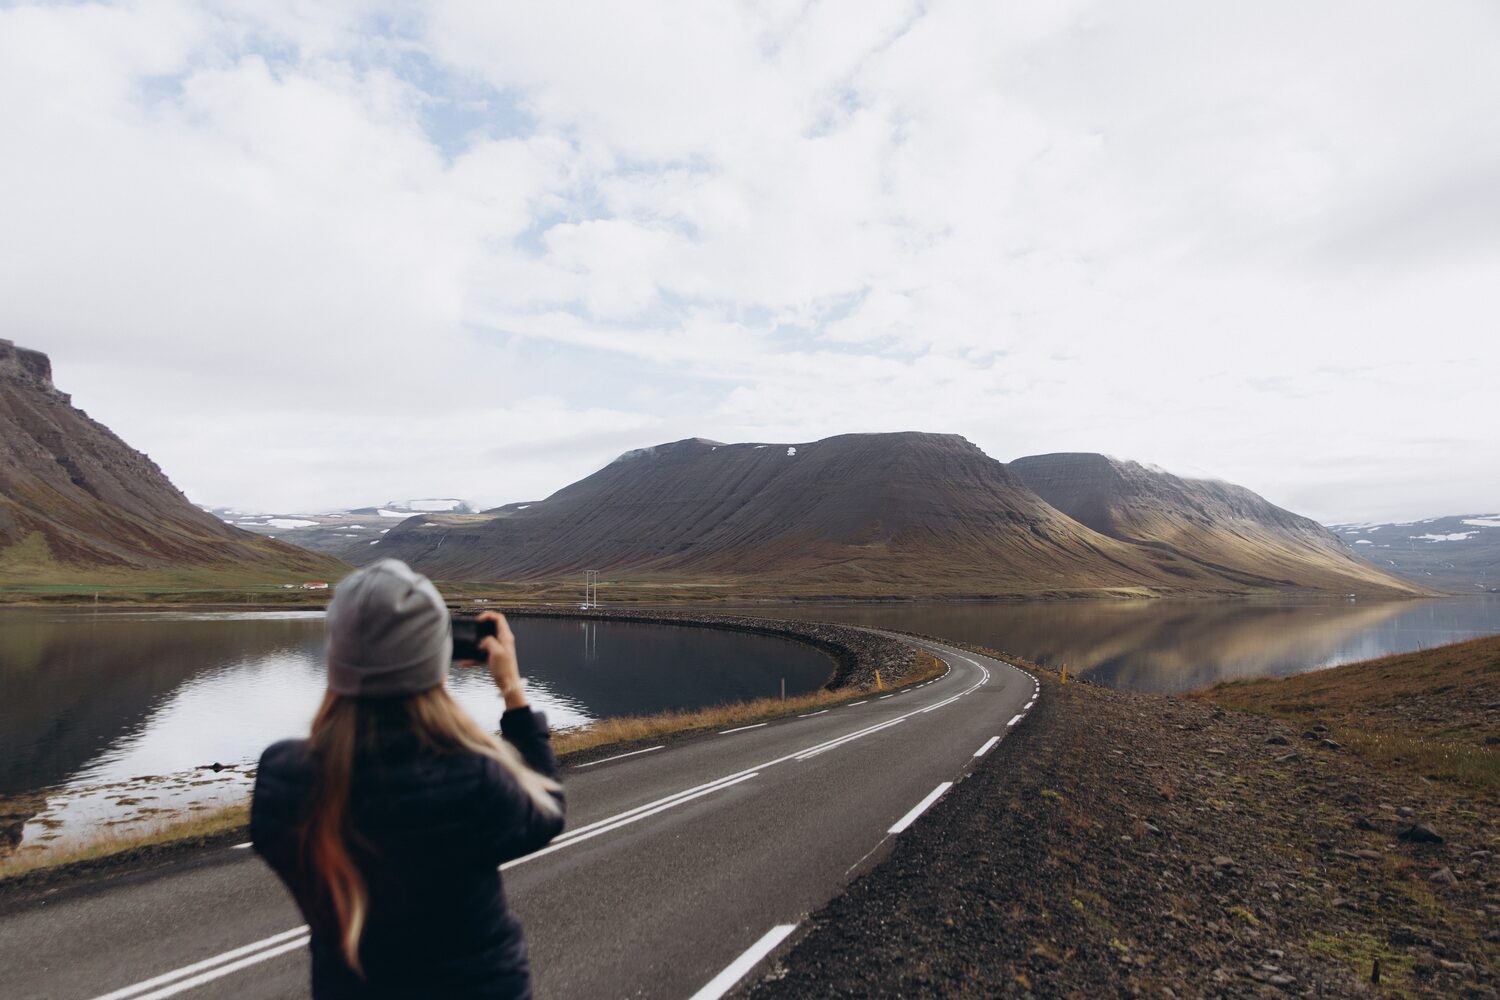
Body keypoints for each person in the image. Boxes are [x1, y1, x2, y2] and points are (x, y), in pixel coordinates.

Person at [251, 559, 565, 999]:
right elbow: (546, 808)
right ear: (439, 663)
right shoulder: (473, 779)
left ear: (336, 657)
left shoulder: (283, 780)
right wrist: (511, 690)